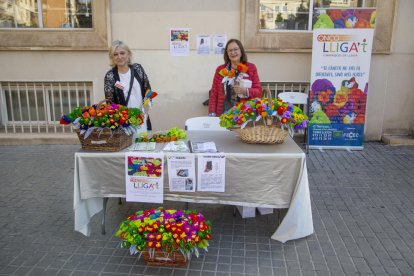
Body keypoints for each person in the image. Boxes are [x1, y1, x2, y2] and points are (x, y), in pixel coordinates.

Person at [104, 40, 152, 130]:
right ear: (112, 57)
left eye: (122, 53)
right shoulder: (110, 76)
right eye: (115, 54)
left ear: (128, 54)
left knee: (144, 142)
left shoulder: (138, 69)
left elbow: (148, 90)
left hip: (142, 119)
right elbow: (110, 104)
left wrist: (147, 106)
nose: (119, 57)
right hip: (125, 125)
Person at [208, 39, 262, 116]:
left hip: (244, 112)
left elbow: (258, 92)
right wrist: (212, 112)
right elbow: (214, 93)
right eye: (230, 50)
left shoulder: (251, 68)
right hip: (224, 111)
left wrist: (245, 91)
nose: (233, 52)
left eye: (235, 49)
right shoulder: (220, 70)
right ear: (227, 53)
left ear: (241, 51)